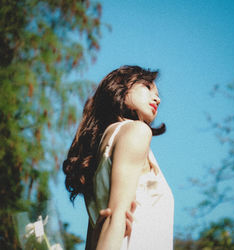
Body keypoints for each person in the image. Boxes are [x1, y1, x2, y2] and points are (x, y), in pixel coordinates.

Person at [63, 65, 174, 250]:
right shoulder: (137, 131)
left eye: (157, 93)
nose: (158, 98)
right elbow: (116, 217)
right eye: (147, 87)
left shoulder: (98, 156)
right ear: (120, 86)